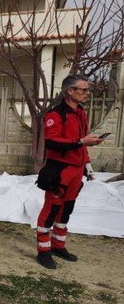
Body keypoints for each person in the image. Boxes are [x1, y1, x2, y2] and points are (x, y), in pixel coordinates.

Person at [36, 74, 104, 269]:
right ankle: (43, 251)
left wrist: (87, 166)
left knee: (67, 210)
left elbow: (81, 143)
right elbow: (51, 142)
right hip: (60, 170)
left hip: (76, 171)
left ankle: (58, 245)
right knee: (51, 210)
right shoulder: (55, 115)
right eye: (83, 90)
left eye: (88, 90)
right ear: (70, 91)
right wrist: (81, 142)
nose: (87, 93)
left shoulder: (81, 113)